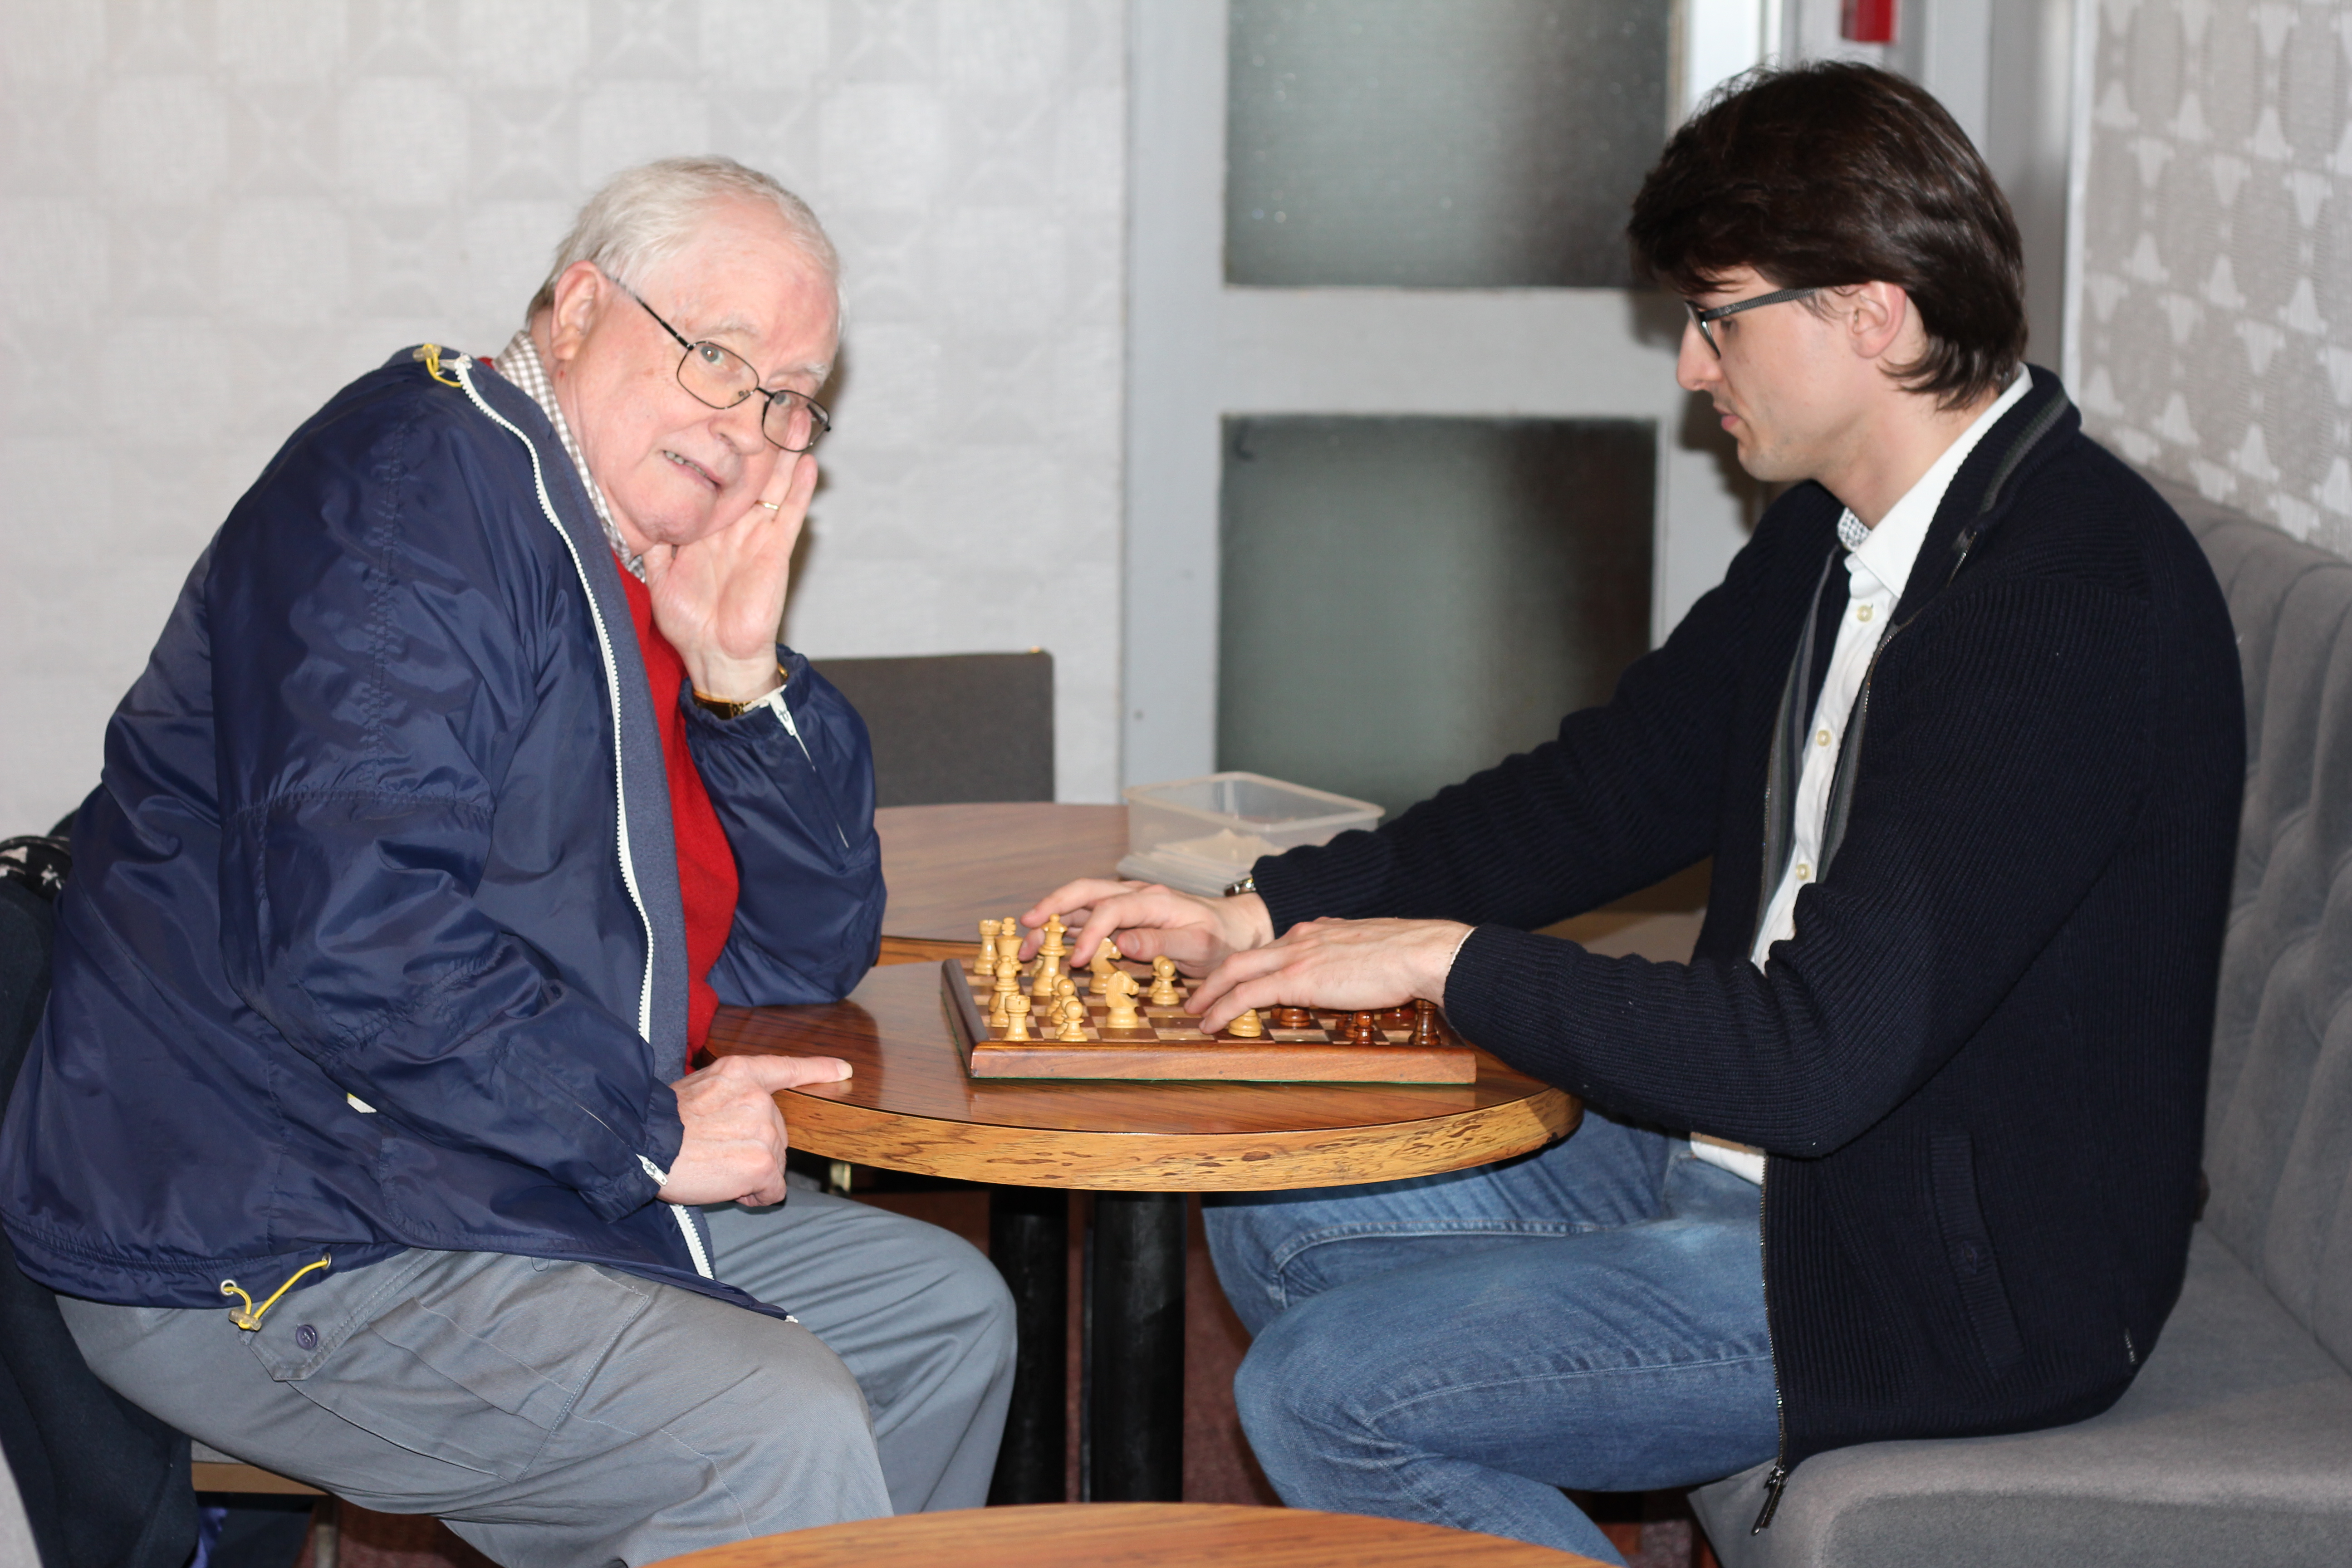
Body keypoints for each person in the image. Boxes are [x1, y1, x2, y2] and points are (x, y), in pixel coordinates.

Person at [1022, 64, 2243, 1563]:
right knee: (1274, 1205)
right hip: (1758, 1171)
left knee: (1325, 1394)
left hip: (1940, 1272)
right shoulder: (1840, 530)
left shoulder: (2058, 610)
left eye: (1717, 315)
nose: (1689, 365)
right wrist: (1270, 909)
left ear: (1874, 316)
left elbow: (1814, 1061)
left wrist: (1447, 962)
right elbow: (1611, 788)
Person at [0, 157, 1014, 1567]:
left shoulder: (616, 551)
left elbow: (796, 956)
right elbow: (353, 941)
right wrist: (647, 1130)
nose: (753, 429)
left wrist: (740, 675)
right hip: (273, 1225)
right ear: (580, 308)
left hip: (468, 1169)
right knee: (763, 1427)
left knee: (941, 1323)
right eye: (718, 358)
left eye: (791, 395)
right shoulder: (418, 497)